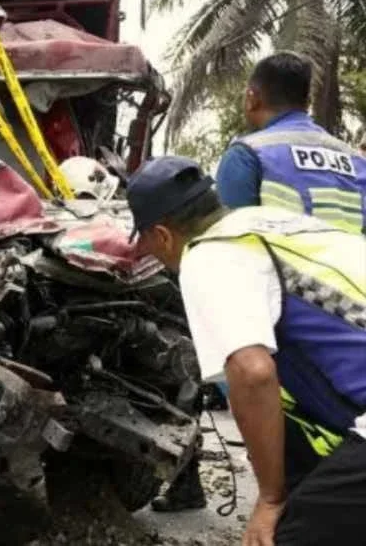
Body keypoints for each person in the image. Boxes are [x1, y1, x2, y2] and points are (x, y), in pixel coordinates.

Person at [128, 155, 366, 546]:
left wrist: (270, 499)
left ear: (163, 235)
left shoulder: (209, 253)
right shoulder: (272, 223)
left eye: (145, 242)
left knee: (287, 534)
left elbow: (252, 373)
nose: (144, 253)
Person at [216, 51, 366, 234]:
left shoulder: (246, 155)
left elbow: (232, 244)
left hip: (282, 263)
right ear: (307, 103)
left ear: (252, 99)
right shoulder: (356, 161)